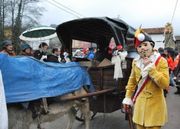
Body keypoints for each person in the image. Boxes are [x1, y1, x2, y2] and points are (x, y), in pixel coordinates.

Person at [122, 28, 169, 129]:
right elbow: (132, 82)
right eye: (139, 46)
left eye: (145, 45)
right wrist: (127, 97)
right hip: (139, 106)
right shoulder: (136, 62)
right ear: (137, 49)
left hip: (155, 106)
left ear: (152, 45)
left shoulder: (161, 61)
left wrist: (151, 69)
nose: (142, 48)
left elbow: (165, 84)